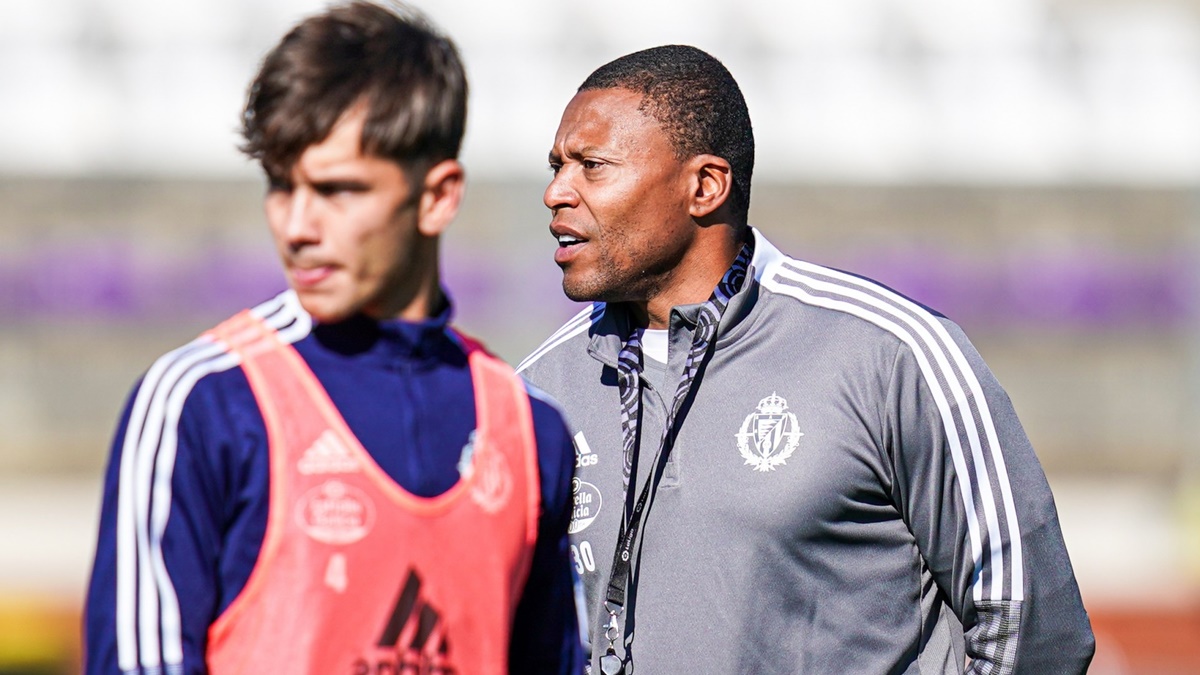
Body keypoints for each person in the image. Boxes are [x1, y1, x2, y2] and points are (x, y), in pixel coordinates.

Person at [518, 44, 1094, 674]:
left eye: (591, 166)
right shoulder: (535, 394)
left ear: (705, 186)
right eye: (556, 166)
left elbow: (1030, 630)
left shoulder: (889, 353)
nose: (555, 192)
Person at [84, 3, 583, 673]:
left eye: (337, 190)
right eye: (280, 186)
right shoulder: (203, 402)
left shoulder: (530, 431)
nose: (296, 225)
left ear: (438, 196)